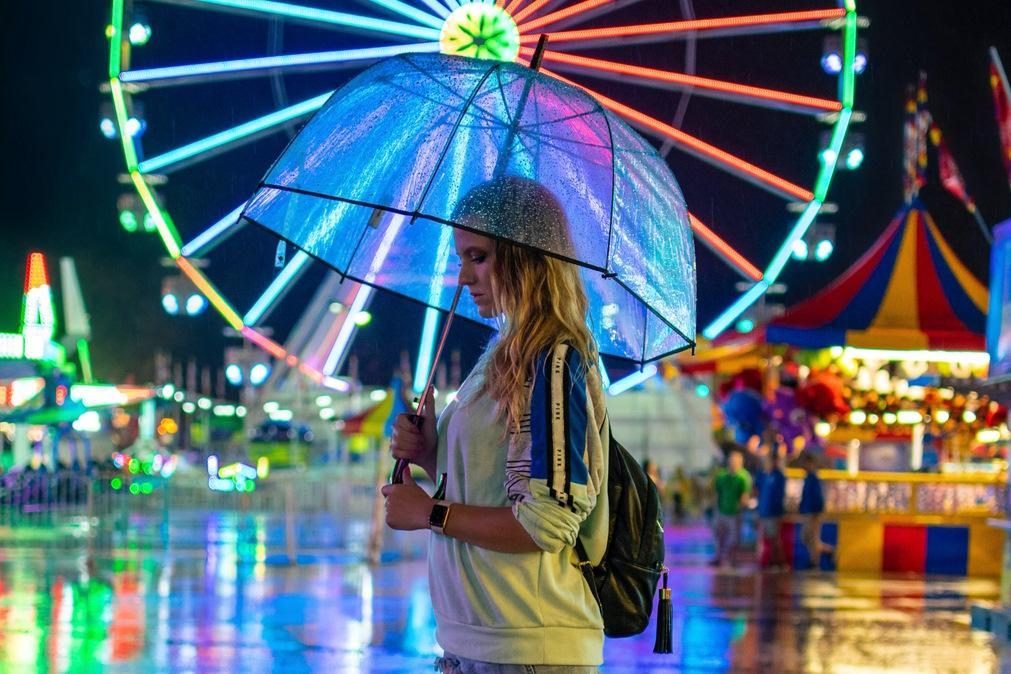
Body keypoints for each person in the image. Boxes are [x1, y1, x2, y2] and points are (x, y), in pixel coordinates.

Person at [381, 177, 609, 673]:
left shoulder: (553, 360)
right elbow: (497, 482)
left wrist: (430, 514)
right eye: (461, 258)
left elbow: (544, 524)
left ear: (525, 257)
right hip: (481, 644)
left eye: (478, 257)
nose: (463, 277)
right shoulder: (502, 358)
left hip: (527, 647)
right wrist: (430, 453)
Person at [710, 448, 751, 568]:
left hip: (734, 513)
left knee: (733, 539)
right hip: (721, 511)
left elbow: (744, 496)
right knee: (719, 536)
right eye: (731, 460)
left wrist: (740, 507)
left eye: (736, 460)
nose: (733, 463)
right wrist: (716, 509)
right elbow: (717, 494)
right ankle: (718, 557)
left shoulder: (743, 477)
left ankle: (731, 559)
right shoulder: (721, 476)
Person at [798, 451, 833, 568]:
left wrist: (815, 513)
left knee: (812, 538)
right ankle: (827, 551)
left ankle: (814, 562)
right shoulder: (808, 478)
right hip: (809, 512)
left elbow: (817, 497)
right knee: (807, 537)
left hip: (813, 513)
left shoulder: (813, 478)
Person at [755, 451, 786, 570]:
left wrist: (778, 512)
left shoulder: (779, 476)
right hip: (763, 512)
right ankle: (769, 560)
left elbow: (779, 496)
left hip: (773, 513)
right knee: (766, 537)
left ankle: (779, 562)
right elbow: (757, 491)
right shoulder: (762, 475)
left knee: (774, 538)